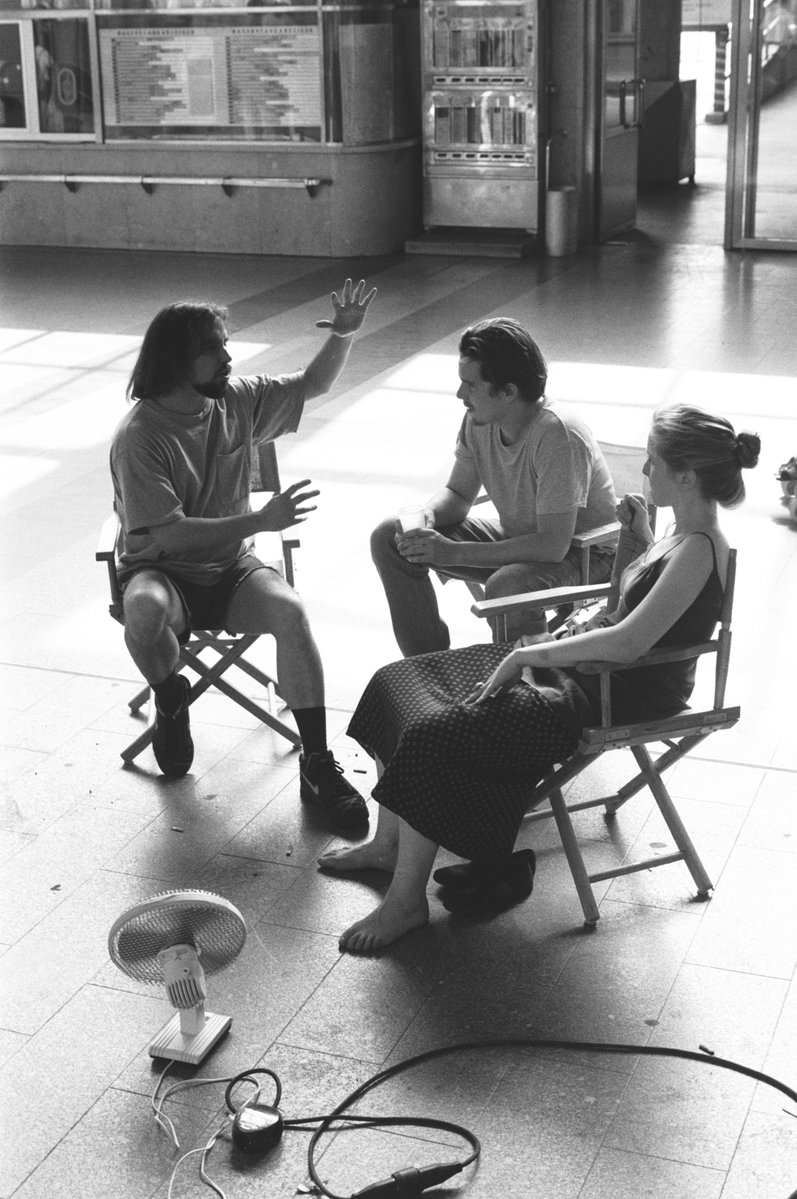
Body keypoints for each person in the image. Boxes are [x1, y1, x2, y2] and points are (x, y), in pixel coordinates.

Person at [319, 404, 761, 954]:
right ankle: (388, 845)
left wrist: (529, 656)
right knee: (400, 682)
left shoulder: (698, 549)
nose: (646, 471)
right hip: (584, 670)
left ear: (688, 476)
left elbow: (628, 643)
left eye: (653, 461)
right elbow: (626, 610)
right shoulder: (679, 534)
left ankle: (406, 902)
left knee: (435, 733)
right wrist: (637, 541)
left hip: (609, 692)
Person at [110, 277, 376, 831]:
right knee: (144, 611)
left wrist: (344, 335)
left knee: (291, 613)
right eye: (213, 348)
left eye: (225, 343)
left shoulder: (236, 399)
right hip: (161, 569)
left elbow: (313, 384)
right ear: (176, 360)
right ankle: (171, 696)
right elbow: (171, 535)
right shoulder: (139, 435)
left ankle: (317, 763)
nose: (228, 357)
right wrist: (259, 520)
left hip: (231, 568)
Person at [370, 317, 618, 654]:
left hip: (587, 554)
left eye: (470, 385)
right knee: (391, 535)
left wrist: (453, 551)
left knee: (507, 587)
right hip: (524, 538)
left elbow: (552, 546)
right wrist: (429, 516)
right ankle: (429, 662)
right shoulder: (480, 419)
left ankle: (526, 677)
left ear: (508, 392)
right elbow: (458, 494)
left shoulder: (558, 435)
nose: (460, 394)